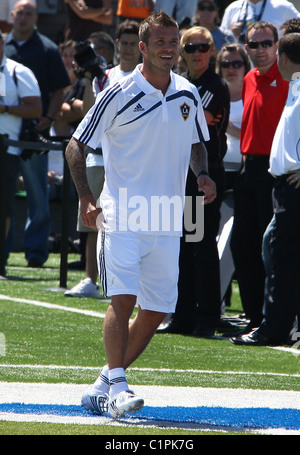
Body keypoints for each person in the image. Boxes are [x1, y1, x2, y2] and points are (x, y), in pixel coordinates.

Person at [66, 11, 216, 418]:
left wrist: (202, 174)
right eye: (162, 42)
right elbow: (75, 146)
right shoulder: (118, 91)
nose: (170, 49)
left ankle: (102, 385)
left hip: (169, 218)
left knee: (157, 308)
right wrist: (86, 198)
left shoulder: (187, 93)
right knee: (123, 299)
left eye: (175, 42)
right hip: (122, 215)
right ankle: (118, 387)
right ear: (144, 48)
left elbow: (197, 141)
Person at [158, 26, 230, 337]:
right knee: (182, 248)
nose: (196, 53)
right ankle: (183, 315)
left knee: (200, 246)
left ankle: (207, 317)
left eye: (202, 47)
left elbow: (189, 129)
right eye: (190, 47)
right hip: (177, 175)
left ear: (212, 51)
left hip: (202, 175)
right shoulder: (180, 85)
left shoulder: (213, 86)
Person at [231, 32, 300, 346]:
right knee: (272, 251)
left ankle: (274, 327)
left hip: (289, 186)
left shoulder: (294, 85)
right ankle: (275, 323)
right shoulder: (294, 86)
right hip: (276, 182)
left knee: (279, 257)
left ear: (282, 56)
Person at [65, 21, 141, 298]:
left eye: (134, 43)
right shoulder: (104, 76)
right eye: (126, 43)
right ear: (117, 45)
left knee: (133, 219)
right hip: (100, 155)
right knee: (94, 218)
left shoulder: (148, 77)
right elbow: (87, 115)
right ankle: (90, 279)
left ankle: (129, 281)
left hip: (134, 159)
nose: (129, 48)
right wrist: (87, 79)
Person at [4, 0, 70, 268]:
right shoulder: (2, 46)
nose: (23, 18)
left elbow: (59, 90)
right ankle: (3, 252)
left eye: (28, 13)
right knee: (3, 196)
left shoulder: (48, 49)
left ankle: (35, 253)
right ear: (11, 15)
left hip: (33, 133)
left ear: (36, 18)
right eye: (19, 13)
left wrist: (49, 118)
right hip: (5, 136)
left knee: (38, 197)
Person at [0, 28, 42, 267]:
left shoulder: (18, 71)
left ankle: (1, 259)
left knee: (3, 206)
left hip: (7, 148)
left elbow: (35, 108)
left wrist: (5, 109)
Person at [221, 0, 300, 43]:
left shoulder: (283, 7)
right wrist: (231, 34)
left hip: (274, 69)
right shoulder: (232, 8)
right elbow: (221, 41)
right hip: (238, 67)